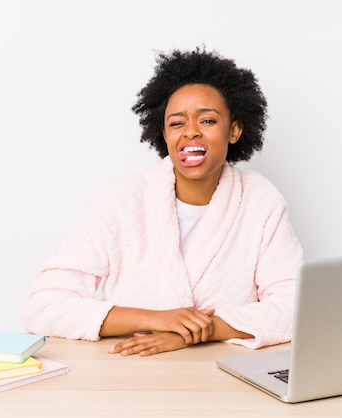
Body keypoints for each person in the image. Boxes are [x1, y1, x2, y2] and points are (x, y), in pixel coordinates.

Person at [22, 47, 303, 356]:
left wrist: (202, 331)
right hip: (130, 370)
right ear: (163, 134)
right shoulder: (123, 200)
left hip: (226, 375)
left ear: (234, 130)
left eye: (208, 121)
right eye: (177, 123)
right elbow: (43, 305)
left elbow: (295, 306)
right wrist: (158, 320)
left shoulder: (260, 200)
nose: (191, 132)